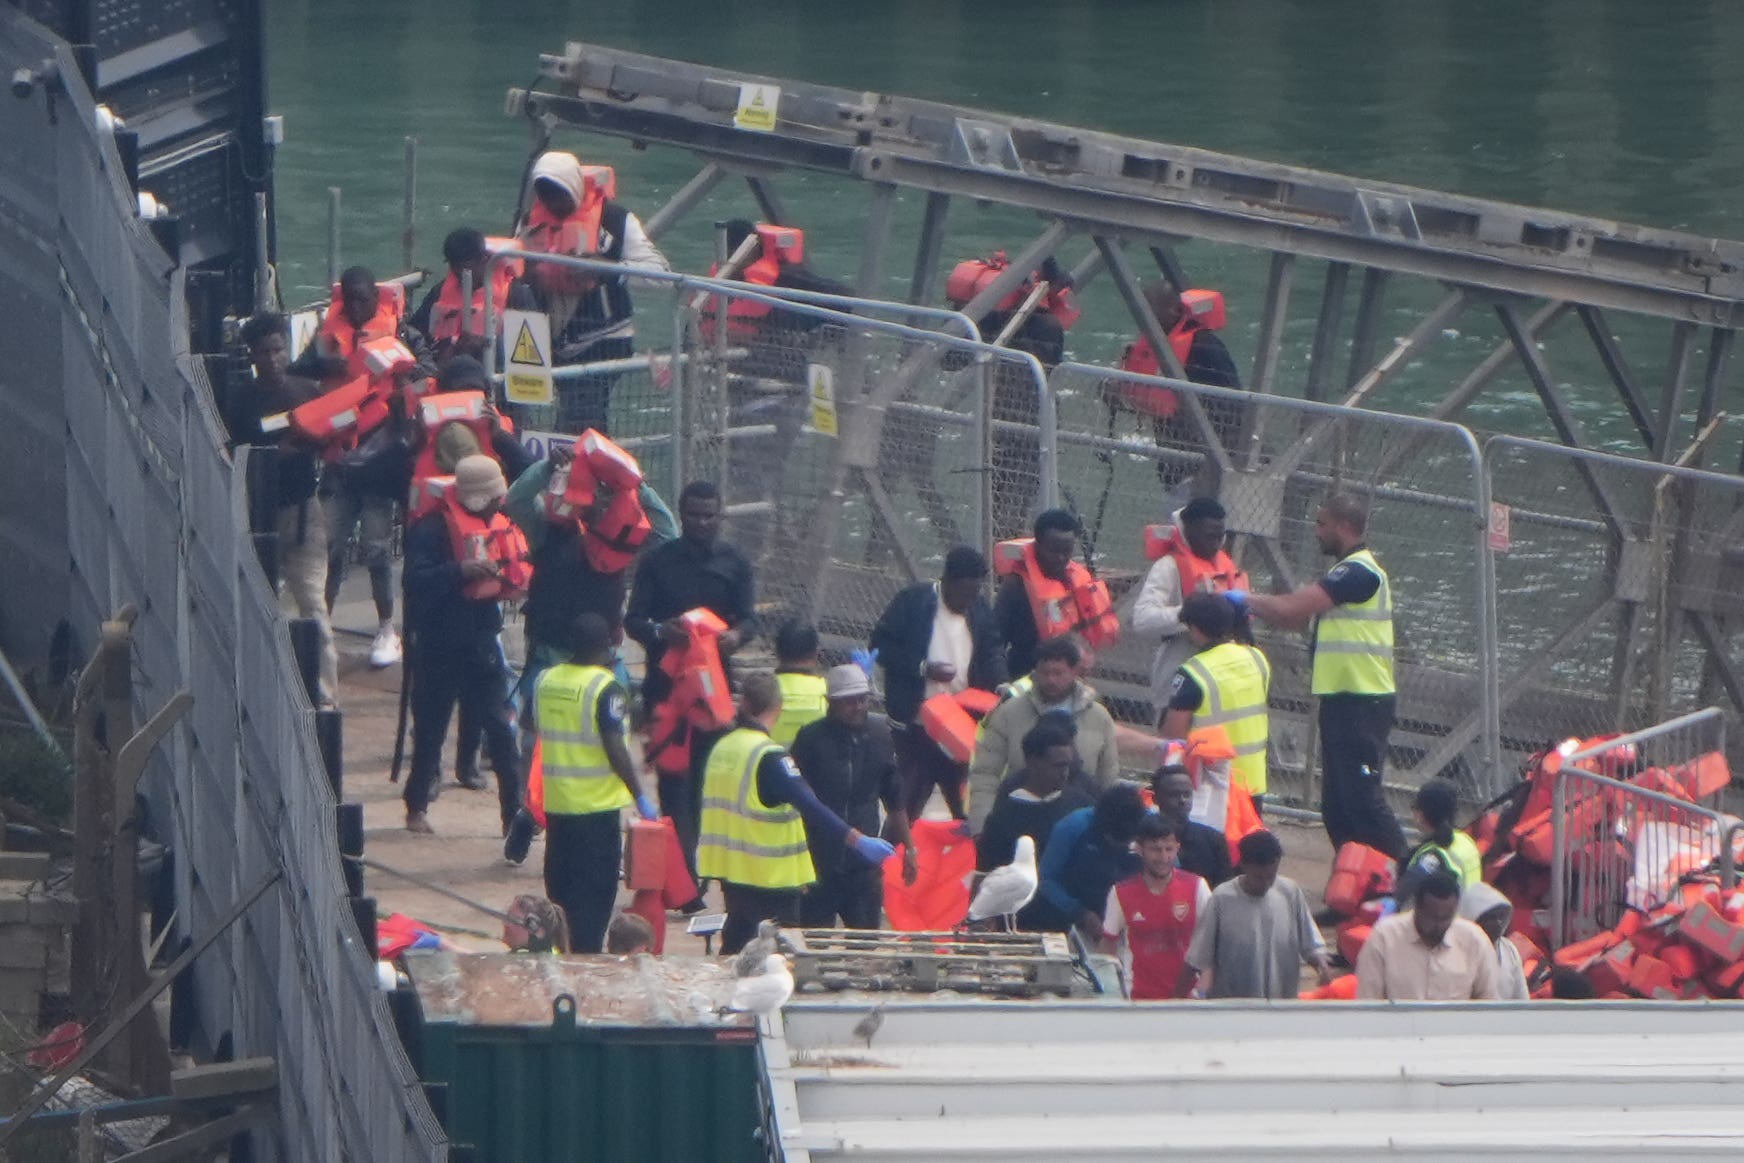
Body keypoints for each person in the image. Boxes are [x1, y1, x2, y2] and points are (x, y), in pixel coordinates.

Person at [1246, 493, 1405, 860]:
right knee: (1337, 805)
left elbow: (1291, 608)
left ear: (1343, 527)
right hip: (1341, 697)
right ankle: (1353, 875)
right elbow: (1293, 618)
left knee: (1362, 799)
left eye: (1322, 524)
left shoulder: (1358, 572)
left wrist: (1242, 598)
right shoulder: (1344, 572)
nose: (1316, 531)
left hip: (1363, 700)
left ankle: (1404, 872)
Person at [696, 673, 893, 954]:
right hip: (772, 877)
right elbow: (812, 806)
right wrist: (857, 840)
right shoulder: (769, 757)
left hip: (731, 872)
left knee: (738, 947)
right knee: (780, 955)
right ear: (778, 707)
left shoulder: (723, 747)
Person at [624, 480, 757, 875]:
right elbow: (634, 620)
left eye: (709, 516)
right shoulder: (657, 561)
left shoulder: (736, 562)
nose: (702, 522)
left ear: (720, 516)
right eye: (694, 515)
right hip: (666, 690)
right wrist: (660, 632)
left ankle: (693, 867)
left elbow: (750, 619)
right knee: (672, 782)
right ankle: (679, 871)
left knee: (704, 780)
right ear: (681, 515)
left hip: (713, 690)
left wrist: (736, 637)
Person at [401, 455, 526, 835]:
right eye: (494, 497)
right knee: (430, 729)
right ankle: (416, 807)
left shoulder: (497, 522)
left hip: (482, 641)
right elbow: (414, 580)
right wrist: (460, 571)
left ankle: (514, 815)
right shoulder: (430, 529)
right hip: (437, 643)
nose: (499, 502)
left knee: (501, 730)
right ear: (476, 497)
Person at [513, 150, 670, 434]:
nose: (553, 202)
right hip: (546, 338)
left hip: (605, 340)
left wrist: (605, 268)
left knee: (580, 417)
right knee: (537, 408)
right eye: (545, 194)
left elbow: (661, 276)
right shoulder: (529, 224)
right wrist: (529, 271)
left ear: (574, 186)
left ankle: (581, 454)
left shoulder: (616, 221)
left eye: (559, 193)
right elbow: (510, 270)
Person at [534, 612, 658, 953]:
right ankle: (585, 962)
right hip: (596, 812)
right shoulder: (605, 687)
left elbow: (532, 723)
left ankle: (561, 957)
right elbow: (615, 747)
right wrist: (639, 795)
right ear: (609, 644)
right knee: (593, 900)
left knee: (560, 897)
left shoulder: (546, 680)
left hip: (558, 805)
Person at [239, 313, 338, 706]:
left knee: (313, 604)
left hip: (303, 511)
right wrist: (271, 455)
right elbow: (234, 455)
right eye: (264, 352)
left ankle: (325, 699)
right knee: (264, 608)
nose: (273, 359)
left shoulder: (307, 391)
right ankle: (271, 693)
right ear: (252, 355)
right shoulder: (242, 401)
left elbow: (331, 435)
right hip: (256, 513)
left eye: (279, 350)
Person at [870, 547, 1007, 821]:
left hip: (960, 725)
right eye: (963, 594)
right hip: (916, 724)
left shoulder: (979, 609)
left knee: (966, 809)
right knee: (906, 806)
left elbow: (992, 652)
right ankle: (897, 847)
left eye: (975, 593)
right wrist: (923, 668)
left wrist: (1001, 684)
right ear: (946, 581)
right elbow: (880, 647)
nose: (968, 601)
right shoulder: (913, 602)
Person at [790, 664, 916, 929]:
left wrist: (910, 848)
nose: (857, 707)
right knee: (813, 941)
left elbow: (894, 797)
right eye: (848, 701)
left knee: (866, 943)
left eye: (862, 699)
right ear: (831, 702)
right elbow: (797, 799)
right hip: (818, 861)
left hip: (863, 866)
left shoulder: (880, 735)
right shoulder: (811, 739)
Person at [968, 636, 1119, 835]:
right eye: (1045, 673)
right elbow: (985, 774)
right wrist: (982, 827)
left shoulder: (1099, 717)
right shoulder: (1009, 713)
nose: (1051, 680)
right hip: (1019, 817)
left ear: (1075, 671)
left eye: (1058, 673)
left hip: (1079, 823)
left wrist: (1108, 831)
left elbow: (1108, 780)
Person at [1113, 283, 1244, 491]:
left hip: (1208, 460)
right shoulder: (1152, 347)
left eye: (1149, 312)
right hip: (1174, 460)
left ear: (1173, 311)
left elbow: (1233, 403)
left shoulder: (1204, 346)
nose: (1142, 319)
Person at [976, 718, 1098, 931]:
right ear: (1033, 762)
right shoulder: (1004, 817)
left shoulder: (1082, 805)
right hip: (1019, 924)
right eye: (1057, 766)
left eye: (1067, 765)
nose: (1065, 773)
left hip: (1073, 923)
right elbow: (987, 874)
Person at [1131, 497, 1248, 713]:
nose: (1216, 543)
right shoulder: (1168, 566)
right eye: (1209, 536)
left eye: (1220, 536)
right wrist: (1190, 614)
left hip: (1221, 675)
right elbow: (1142, 619)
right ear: (1189, 530)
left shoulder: (1225, 564)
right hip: (1179, 670)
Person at [1184, 829, 1331, 999]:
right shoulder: (1222, 899)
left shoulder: (1289, 892)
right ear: (1244, 866)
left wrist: (1321, 963)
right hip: (1233, 1004)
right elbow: (1198, 955)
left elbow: (1311, 944)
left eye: (1270, 877)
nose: (1266, 884)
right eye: (1259, 878)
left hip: (1281, 1003)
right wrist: (1178, 998)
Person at [1160, 592, 1271, 801]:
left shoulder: (1193, 672)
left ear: (1195, 629)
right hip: (1252, 783)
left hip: (1212, 787)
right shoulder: (1257, 659)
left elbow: (1173, 737)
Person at [1102, 815, 1211, 1000]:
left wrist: (1203, 989)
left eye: (1169, 849)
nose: (1163, 857)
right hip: (1138, 1000)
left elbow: (1212, 943)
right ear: (1140, 849)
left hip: (1188, 1001)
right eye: (1155, 849)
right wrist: (1109, 991)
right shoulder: (1121, 893)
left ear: (1177, 848)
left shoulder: (1197, 887)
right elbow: (1107, 945)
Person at [1355, 871, 1499, 1000]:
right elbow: (1368, 1001)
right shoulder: (1384, 937)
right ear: (1417, 908)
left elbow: (1488, 1003)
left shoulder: (1474, 940)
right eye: (1433, 918)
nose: (1439, 925)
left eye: (1446, 918)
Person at [1033, 782, 1148, 938]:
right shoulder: (1072, 827)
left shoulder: (1152, 829)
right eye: (1113, 839)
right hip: (1073, 919)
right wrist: (1079, 912)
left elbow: (1172, 874)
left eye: (1126, 841)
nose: (1118, 845)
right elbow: (1046, 878)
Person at [993, 508, 1079, 679]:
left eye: (1067, 551)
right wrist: (1001, 682)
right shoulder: (1015, 586)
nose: (1061, 558)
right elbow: (995, 642)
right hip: (1025, 677)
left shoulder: (1076, 582)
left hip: (1068, 679)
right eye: (1054, 551)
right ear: (1038, 547)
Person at [408, 228, 515, 364]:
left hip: (493, 367)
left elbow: (522, 343)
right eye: (455, 267)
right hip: (448, 367)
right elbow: (416, 332)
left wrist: (488, 343)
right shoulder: (439, 292)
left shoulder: (514, 293)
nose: (460, 273)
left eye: (466, 267)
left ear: (484, 260)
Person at [1393, 779, 1483, 904]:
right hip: (1470, 912)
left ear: (1421, 814)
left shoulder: (1432, 857)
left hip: (1447, 915)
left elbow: (1402, 894)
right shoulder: (1465, 840)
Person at [1150, 764, 1232, 886]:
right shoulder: (1142, 839)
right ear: (1155, 799)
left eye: (1187, 794)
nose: (1183, 800)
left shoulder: (1213, 840)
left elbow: (1223, 888)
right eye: (1174, 794)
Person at [1458, 882, 1530, 1001]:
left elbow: (1521, 997)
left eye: (1501, 917)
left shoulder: (1509, 950)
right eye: (1491, 917)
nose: (1498, 923)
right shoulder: (1458, 949)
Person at [771, 621, 828, 748]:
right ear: (816, 652)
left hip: (768, 759)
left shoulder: (764, 691)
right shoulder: (827, 692)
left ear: (777, 652)